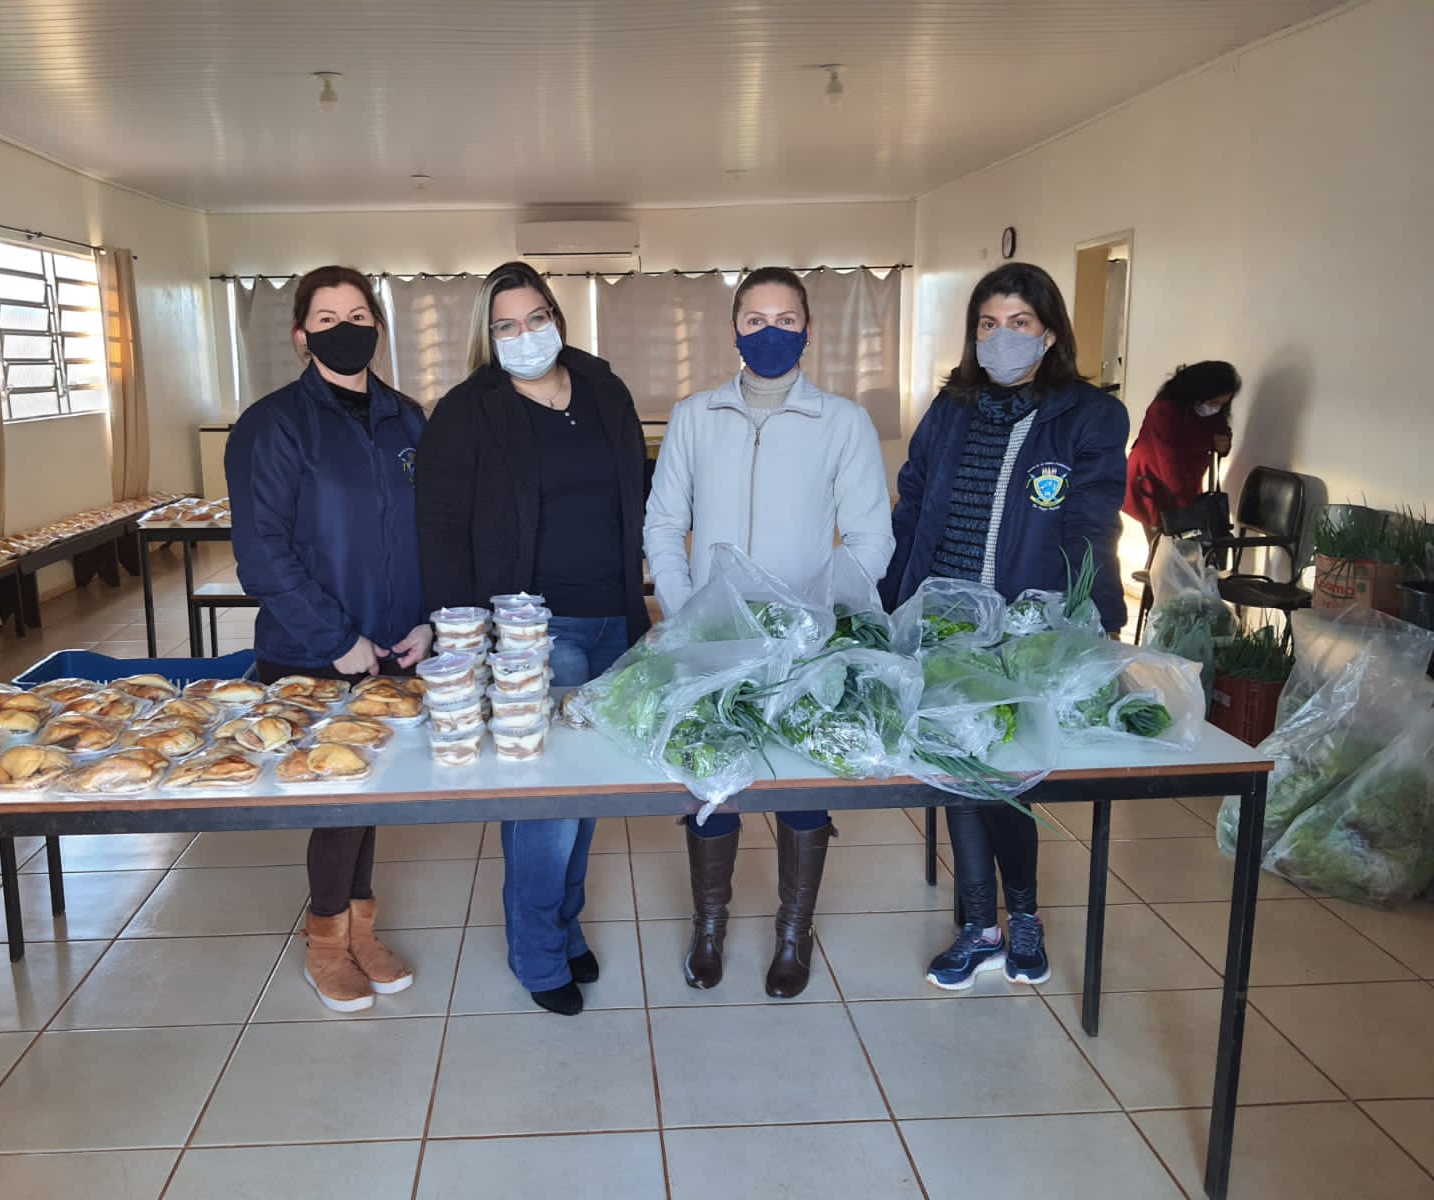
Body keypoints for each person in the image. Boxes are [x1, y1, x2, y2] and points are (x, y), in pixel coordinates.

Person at [644, 266, 895, 998]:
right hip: (710, 638)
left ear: (808, 330)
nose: (770, 332)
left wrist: (818, 620)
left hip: (804, 645)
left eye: (786, 319)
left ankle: (794, 930)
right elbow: (664, 524)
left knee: (802, 786)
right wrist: (687, 611)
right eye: (755, 319)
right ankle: (710, 927)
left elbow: (870, 537)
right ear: (734, 329)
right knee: (710, 782)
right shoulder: (695, 416)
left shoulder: (842, 421)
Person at [878, 261, 1128, 990]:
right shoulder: (952, 407)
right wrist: (890, 601)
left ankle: (1024, 918)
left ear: (1049, 333)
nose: (1001, 337)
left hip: (1025, 626)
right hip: (944, 621)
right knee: (958, 767)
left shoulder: (1088, 415)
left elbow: (1091, 523)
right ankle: (979, 926)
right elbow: (912, 502)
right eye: (988, 324)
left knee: (1007, 774)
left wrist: (1095, 616)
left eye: (1019, 323)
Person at [416, 261, 650, 1016]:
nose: (525, 335)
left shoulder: (604, 388)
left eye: (536, 317)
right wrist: (457, 640)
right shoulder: (467, 412)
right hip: (533, 636)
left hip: (615, 621)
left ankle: (564, 924)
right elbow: (441, 529)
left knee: (585, 791)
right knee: (545, 802)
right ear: (488, 337)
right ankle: (538, 951)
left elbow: (636, 495)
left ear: (557, 316)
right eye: (506, 325)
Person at [225, 265, 429, 1013]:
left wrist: (428, 620)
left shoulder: (409, 420)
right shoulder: (273, 425)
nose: (347, 329)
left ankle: (358, 933)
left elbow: (435, 529)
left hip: (395, 649)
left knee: (371, 795)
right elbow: (262, 553)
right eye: (327, 318)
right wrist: (338, 639)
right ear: (301, 336)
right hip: (313, 651)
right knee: (339, 801)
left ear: (378, 326)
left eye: (359, 315)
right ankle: (325, 945)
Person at [1123, 361, 1240, 533]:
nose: (1216, 408)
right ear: (1199, 393)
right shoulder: (1164, 411)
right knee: (1163, 540)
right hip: (1152, 481)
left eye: (1222, 404)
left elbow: (1220, 429)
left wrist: (1224, 445)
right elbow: (1170, 463)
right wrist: (1189, 510)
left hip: (1186, 482)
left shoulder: (1209, 409)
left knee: (1184, 540)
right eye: (1213, 402)